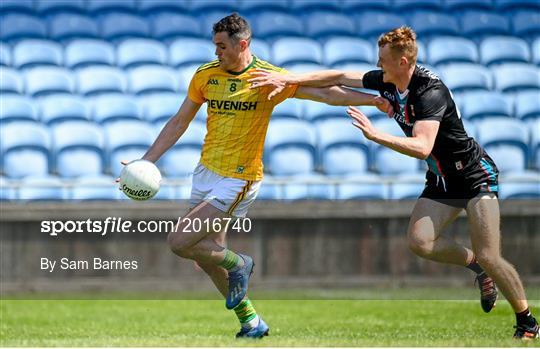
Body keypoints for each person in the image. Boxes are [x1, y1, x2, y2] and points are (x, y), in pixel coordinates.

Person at [248, 26, 539, 340]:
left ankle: (527, 323)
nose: (378, 65)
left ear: (403, 62)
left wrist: (376, 136)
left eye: (383, 60)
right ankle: (476, 267)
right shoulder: (389, 81)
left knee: (490, 254)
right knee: (420, 242)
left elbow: (422, 147)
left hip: (473, 175)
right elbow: (339, 78)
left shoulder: (430, 91)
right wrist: (290, 82)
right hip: (442, 179)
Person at [122, 13, 389, 339]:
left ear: (242, 43)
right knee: (206, 258)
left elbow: (326, 93)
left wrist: (374, 100)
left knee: (180, 242)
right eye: (215, 45)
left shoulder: (268, 78)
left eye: (222, 46)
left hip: (240, 177)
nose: (216, 52)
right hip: (205, 172)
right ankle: (251, 322)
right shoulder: (205, 76)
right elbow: (179, 122)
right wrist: (145, 161)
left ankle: (240, 263)